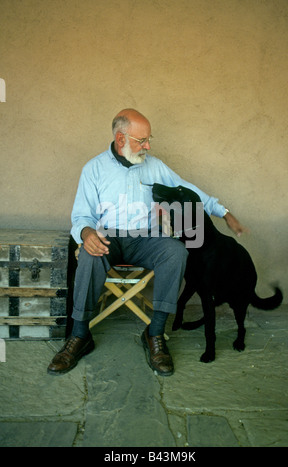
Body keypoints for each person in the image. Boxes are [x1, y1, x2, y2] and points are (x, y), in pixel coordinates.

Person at [47, 109, 247, 377]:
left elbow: (188, 191)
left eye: (148, 139)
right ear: (121, 139)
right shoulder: (93, 169)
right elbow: (82, 216)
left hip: (147, 238)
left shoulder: (154, 166)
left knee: (176, 251)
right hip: (109, 237)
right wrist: (86, 234)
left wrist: (224, 213)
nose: (148, 146)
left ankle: (154, 333)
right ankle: (80, 335)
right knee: (89, 254)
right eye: (142, 140)